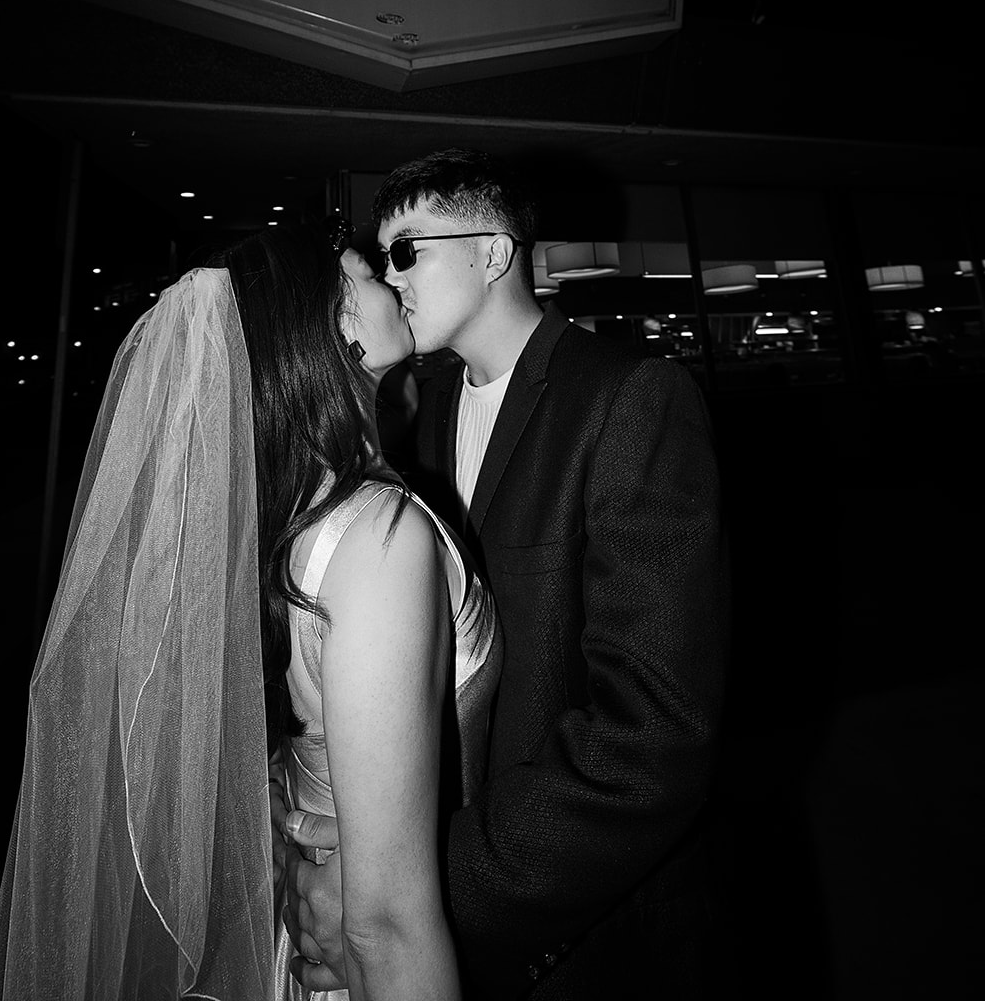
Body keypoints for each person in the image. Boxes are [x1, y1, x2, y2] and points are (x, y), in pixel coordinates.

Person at [0, 220, 500, 1001]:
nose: (390, 280)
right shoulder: (375, 537)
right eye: (362, 272)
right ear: (331, 325)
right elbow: (386, 925)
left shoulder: (269, 524)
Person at [281, 150, 729, 999]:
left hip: (584, 930)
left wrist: (416, 886)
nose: (390, 278)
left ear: (493, 253)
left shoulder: (631, 396)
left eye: (408, 250)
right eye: (381, 259)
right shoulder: (424, 414)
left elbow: (655, 730)